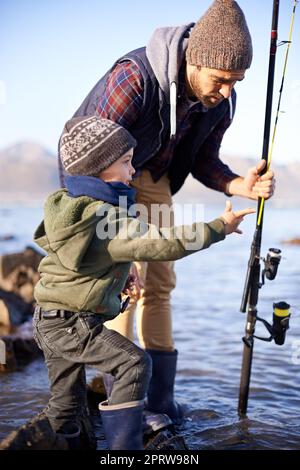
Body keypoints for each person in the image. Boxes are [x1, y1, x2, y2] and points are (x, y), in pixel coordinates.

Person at [58, 0, 275, 424]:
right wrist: (106, 237)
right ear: (195, 61)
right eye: (222, 79)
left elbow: (203, 160)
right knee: (122, 283)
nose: (228, 91)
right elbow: (86, 155)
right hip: (103, 177)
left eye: (238, 81)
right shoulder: (134, 79)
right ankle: (119, 393)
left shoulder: (221, 102)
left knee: (161, 280)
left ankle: (158, 400)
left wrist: (239, 185)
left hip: (153, 176)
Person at [33, 116, 255, 450]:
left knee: (67, 405)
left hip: (48, 319)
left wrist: (122, 267)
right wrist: (218, 227)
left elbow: (91, 258)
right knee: (134, 363)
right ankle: (126, 450)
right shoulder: (109, 217)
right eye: (125, 163)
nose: (133, 171)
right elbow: (163, 243)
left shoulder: (72, 207)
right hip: (73, 324)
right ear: (99, 168)